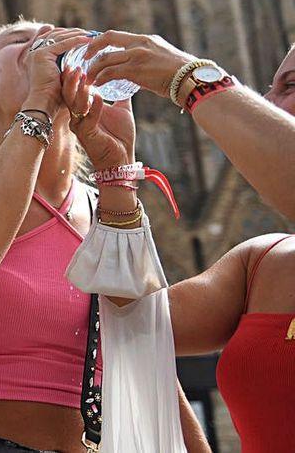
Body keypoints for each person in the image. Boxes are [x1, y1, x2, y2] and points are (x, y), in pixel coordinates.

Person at [0, 21, 206, 453]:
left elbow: (146, 354)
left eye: (52, 32)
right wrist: (40, 101)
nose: (45, 39)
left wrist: (117, 166)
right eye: (20, 41)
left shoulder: (105, 208)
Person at [70, 32, 295, 451]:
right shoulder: (262, 264)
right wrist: (116, 173)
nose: (270, 106)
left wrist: (192, 79)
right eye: (268, 91)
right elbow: (128, 331)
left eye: (292, 85)